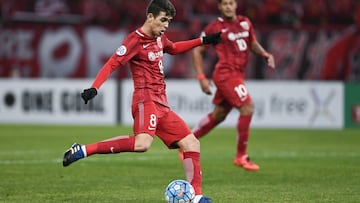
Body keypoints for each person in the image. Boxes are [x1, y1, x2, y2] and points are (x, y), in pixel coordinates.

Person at [62, 0, 220, 202]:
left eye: (169, 21)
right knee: (142, 144)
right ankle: (83, 150)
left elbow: (173, 48)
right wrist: (95, 87)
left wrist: (203, 41)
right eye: (163, 20)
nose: (166, 26)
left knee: (191, 143)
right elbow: (113, 63)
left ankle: (196, 197)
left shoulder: (160, 38)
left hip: (162, 104)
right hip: (145, 101)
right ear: (150, 17)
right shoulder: (134, 41)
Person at [187, 0, 275, 171]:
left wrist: (264, 53)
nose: (228, 6)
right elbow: (197, 50)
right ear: (220, 7)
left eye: (231, 3)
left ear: (236, 5)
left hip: (237, 74)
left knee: (219, 114)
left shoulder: (245, 22)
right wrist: (201, 77)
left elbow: (252, 43)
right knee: (247, 107)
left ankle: (187, 141)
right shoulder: (214, 28)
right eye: (224, 3)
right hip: (226, 74)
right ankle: (241, 156)